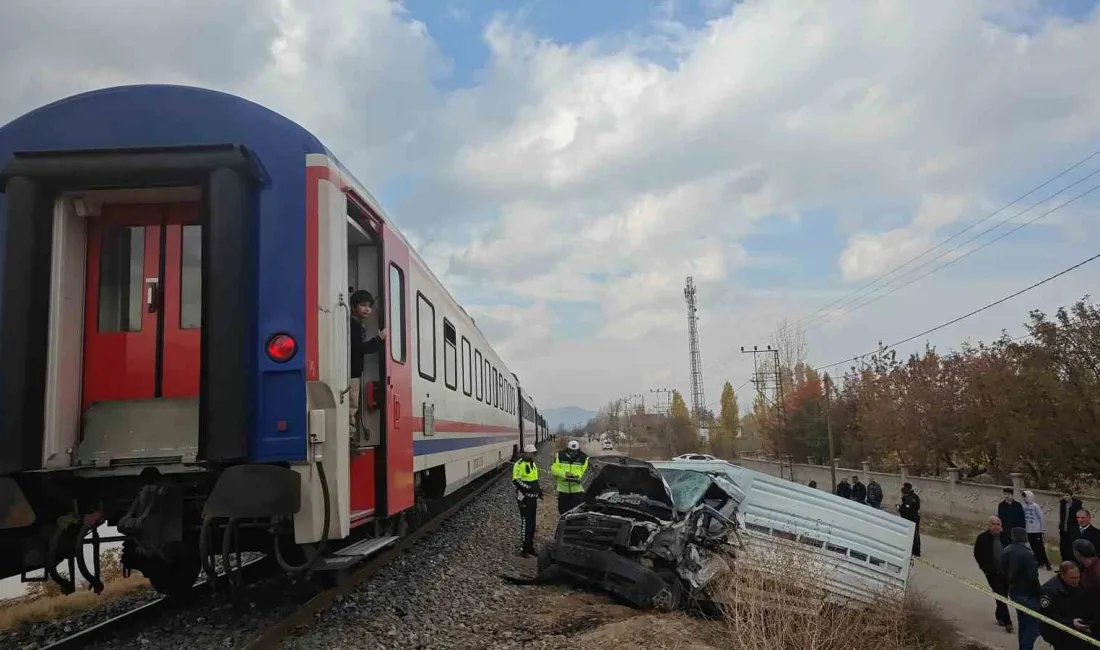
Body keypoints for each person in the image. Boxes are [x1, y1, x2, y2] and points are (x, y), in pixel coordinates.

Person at [349, 290, 385, 436]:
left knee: (352, 406)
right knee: (351, 406)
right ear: (353, 307)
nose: (367, 309)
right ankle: (349, 436)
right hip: (352, 373)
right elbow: (359, 349)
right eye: (363, 305)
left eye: (369, 306)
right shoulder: (354, 325)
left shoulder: (355, 324)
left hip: (352, 372)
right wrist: (379, 339)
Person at [1002, 526, 1042, 650]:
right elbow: (1033, 577)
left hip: (1014, 592)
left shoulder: (1006, 550)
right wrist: (1039, 594)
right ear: (1025, 537)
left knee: (1023, 623)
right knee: (1032, 627)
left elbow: (1002, 571)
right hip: (1028, 594)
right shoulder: (1027, 553)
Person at [974, 516, 1013, 632]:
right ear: (988, 525)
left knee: (1003, 595)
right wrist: (985, 569)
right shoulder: (982, 538)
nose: (996, 526)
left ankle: (999, 615)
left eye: (998, 524)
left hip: (1006, 573)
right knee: (1000, 594)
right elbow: (978, 554)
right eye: (993, 524)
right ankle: (1008, 622)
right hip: (992, 573)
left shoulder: (1006, 537)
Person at [1038, 562, 1089, 649]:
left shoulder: (1078, 583)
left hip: (1076, 631)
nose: (1076, 580)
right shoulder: (1049, 591)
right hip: (1060, 634)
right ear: (1062, 575)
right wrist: (1070, 622)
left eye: (1078, 577)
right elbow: (1046, 615)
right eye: (1072, 578)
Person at [512, 444, 542, 557]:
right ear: (527, 453)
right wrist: (528, 488)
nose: (534, 455)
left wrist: (538, 491)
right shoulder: (518, 465)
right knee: (526, 523)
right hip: (524, 498)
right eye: (533, 453)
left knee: (532, 523)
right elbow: (516, 480)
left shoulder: (533, 464)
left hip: (533, 498)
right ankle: (524, 548)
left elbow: (534, 479)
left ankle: (530, 546)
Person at [551, 440, 589, 515]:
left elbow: (586, 472)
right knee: (563, 511)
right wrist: (565, 474)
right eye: (571, 451)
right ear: (568, 450)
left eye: (575, 451)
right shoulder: (560, 455)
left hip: (578, 490)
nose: (573, 453)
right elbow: (554, 469)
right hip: (563, 490)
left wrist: (578, 478)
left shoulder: (584, 458)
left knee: (577, 512)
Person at [1023, 490, 1052, 571]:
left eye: (1025, 497)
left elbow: (1041, 517)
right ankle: (1039, 562)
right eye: (1023, 497)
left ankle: (1047, 563)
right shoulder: (1024, 506)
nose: (1024, 499)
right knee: (1032, 547)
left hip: (1036, 530)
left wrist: (1043, 529)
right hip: (1028, 530)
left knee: (1040, 547)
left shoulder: (1035, 506)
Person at [898, 482, 921, 557]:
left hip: (913, 518)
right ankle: (910, 549)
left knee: (915, 534)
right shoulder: (909, 497)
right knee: (909, 535)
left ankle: (916, 551)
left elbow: (910, 509)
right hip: (908, 518)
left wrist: (900, 509)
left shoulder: (912, 498)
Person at [1060, 493, 1084, 565]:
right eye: (1064, 495)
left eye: (1067, 495)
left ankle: (1072, 564)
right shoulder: (1063, 504)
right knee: (1063, 548)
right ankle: (1064, 565)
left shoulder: (1076, 505)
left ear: (1071, 496)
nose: (1066, 497)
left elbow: (1080, 516)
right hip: (1064, 529)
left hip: (1072, 529)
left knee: (1071, 548)